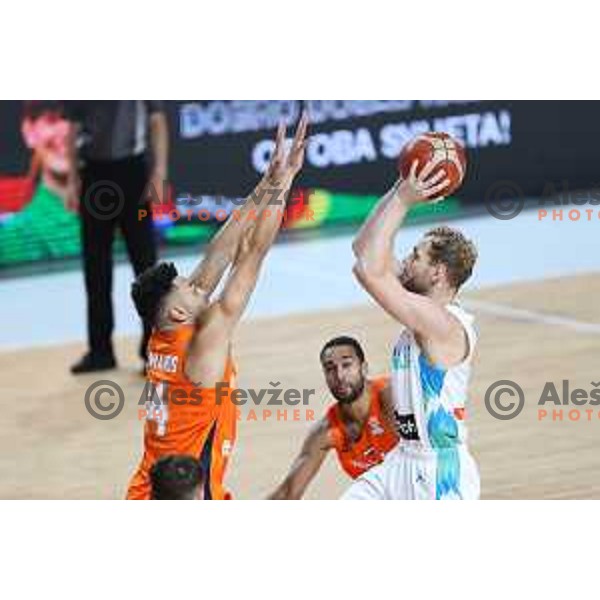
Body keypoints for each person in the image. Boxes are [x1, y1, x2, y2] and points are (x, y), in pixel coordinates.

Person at [126, 113, 309, 500]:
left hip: (146, 487)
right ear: (177, 312)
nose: (197, 286)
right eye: (189, 288)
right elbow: (251, 255)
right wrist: (287, 182)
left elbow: (219, 252)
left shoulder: (165, 335)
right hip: (188, 493)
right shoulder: (203, 345)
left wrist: (268, 181)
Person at [348, 159, 479, 500]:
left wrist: (404, 202)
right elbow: (363, 250)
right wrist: (400, 187)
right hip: (402, 458)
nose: (406, 261)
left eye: (415, 256)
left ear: (437, 273)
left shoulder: (443, 324)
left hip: (439, 471)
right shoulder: (420, 305)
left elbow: (370, 271)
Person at [64, 101, 169, 374]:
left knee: (146, 264)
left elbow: (157, 121)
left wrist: (159, 174)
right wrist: (73, 180)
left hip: (133, 175)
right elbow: (72, 131)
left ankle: (153, 351)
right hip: (94, 178)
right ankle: (100, 351)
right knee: (95, 267)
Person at [269, 336, 398, 499]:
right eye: (330, 368)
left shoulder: (391, 396)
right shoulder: (326, 431)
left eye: (347, 365)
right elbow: (288, 493)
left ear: (364, 368)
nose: (339, 375)